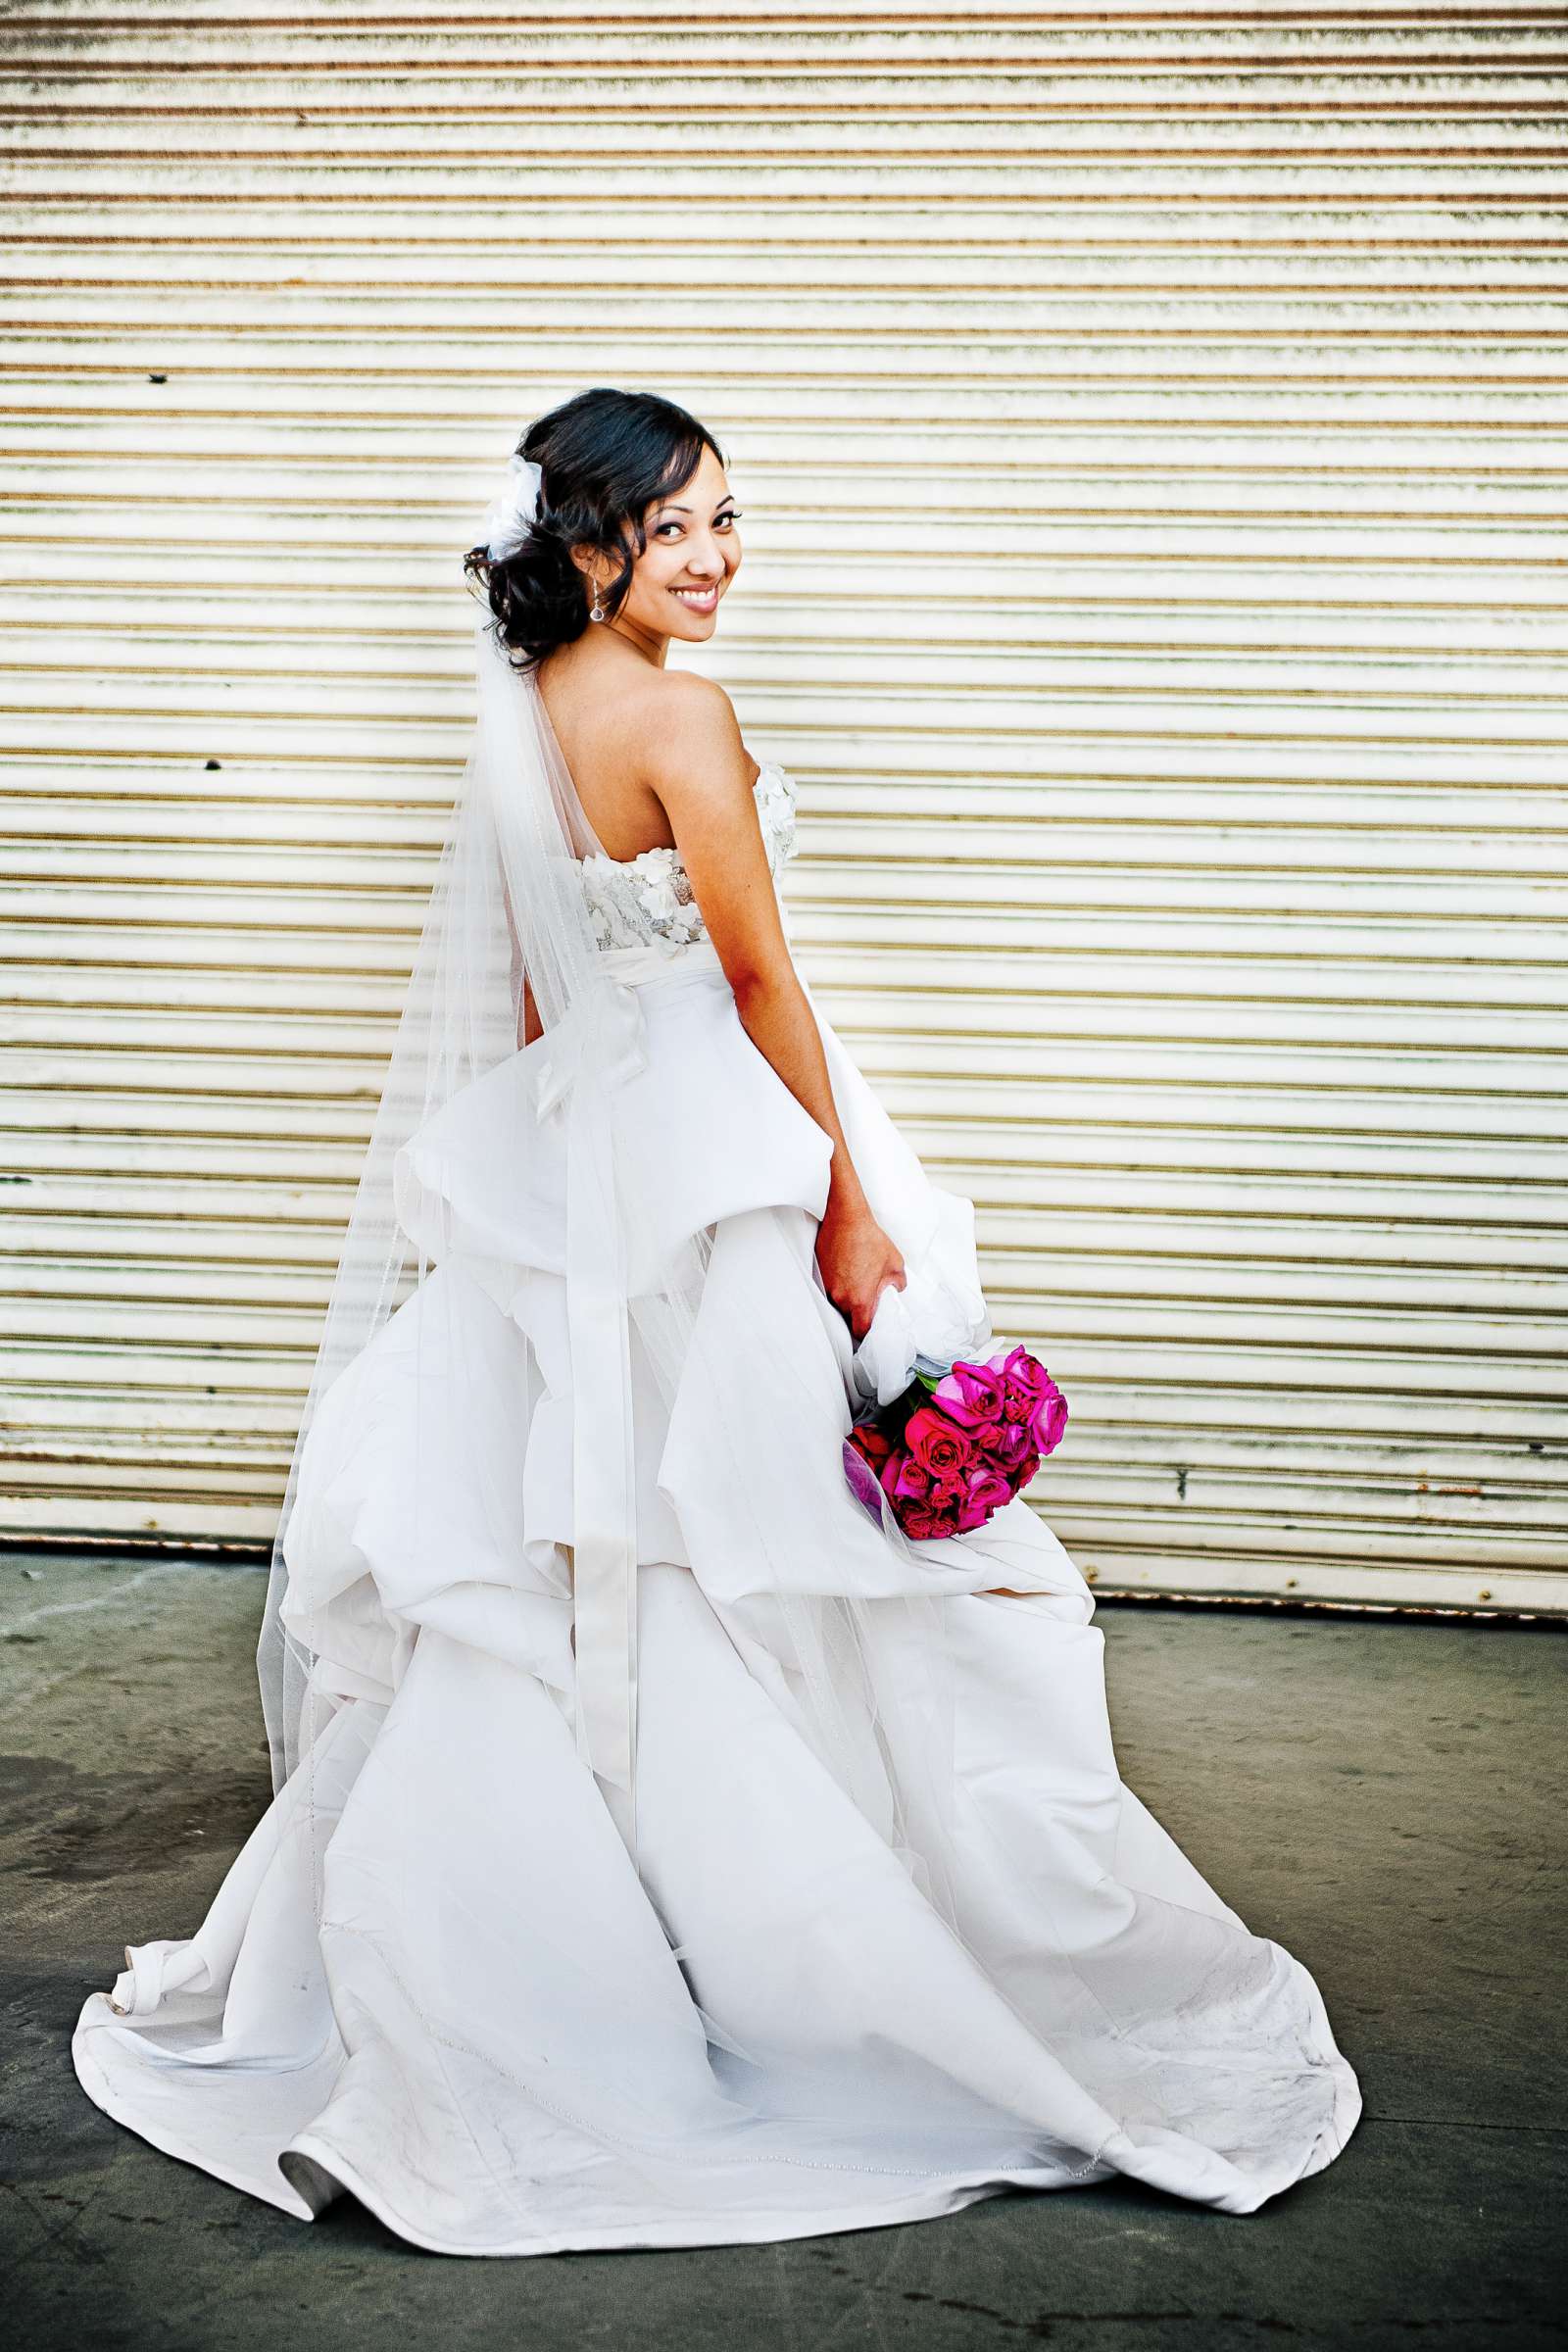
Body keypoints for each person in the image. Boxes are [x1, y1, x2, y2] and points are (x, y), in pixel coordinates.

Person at [72, 386, 1360, 2254]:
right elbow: (756, 973)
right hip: (722, 1153)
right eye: (672, 527)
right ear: (586, 543)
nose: (712, 558)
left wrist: (547, 1175)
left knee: (592, 1537)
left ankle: (601, 1932)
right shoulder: (679, 714)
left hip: (596, 1145)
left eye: (730, 521)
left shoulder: (532, 714)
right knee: (760, 1538)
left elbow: (532, 988)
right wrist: (845, 1206)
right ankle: (798, 1953)